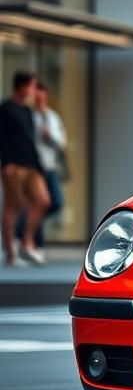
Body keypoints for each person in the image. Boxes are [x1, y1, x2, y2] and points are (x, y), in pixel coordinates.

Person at [0, 70, 50, 267]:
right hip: (13, 165)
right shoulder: (6, 108)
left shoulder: (28, 111)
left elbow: (31, 140)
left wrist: (39, 165)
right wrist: (5, 163)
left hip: (31, 165)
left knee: (43, 201)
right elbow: (1, 138)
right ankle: (11, 254)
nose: (32, 90)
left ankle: (26, 241)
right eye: (31, 85)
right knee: (13, 206)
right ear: (21, 86)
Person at [27, 81, 66, 248]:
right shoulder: (28, 115)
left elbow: (61, 143)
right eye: (37, 95)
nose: (40, 98)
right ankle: (37, 244)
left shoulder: (52, 117)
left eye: (42, 95)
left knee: (55, 202)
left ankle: (27, 226)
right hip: (34, 168)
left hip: (49, 168)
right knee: (40, 203)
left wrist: (49, 136)